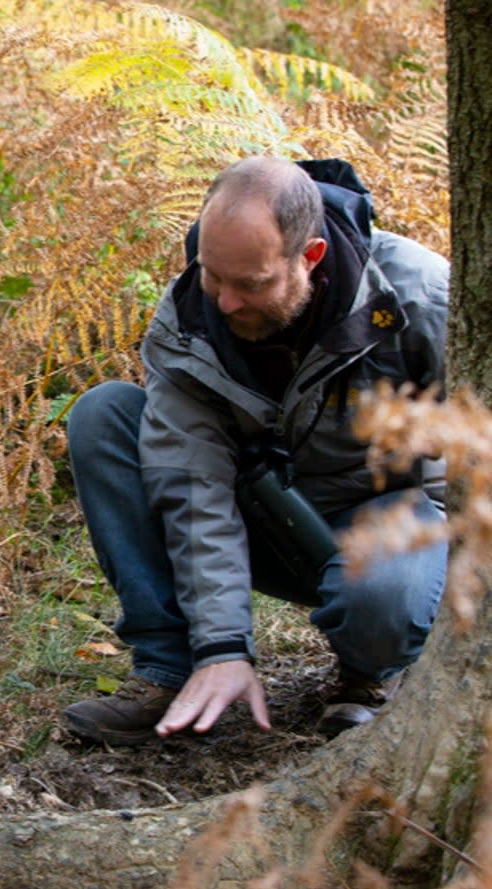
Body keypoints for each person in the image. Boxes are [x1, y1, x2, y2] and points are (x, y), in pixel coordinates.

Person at [61, 157, 448, 746]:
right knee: (105, 415)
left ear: (310, 257)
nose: (226, 303)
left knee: (386, 594)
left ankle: (371, 671)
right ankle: (174, 668)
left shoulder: (418, 298)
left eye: (251, 284)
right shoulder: (190, 315)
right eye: (214, 275)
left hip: (389, 523)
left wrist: (448, 592)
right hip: (264, 518)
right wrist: (221, 643)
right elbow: (192, 485)